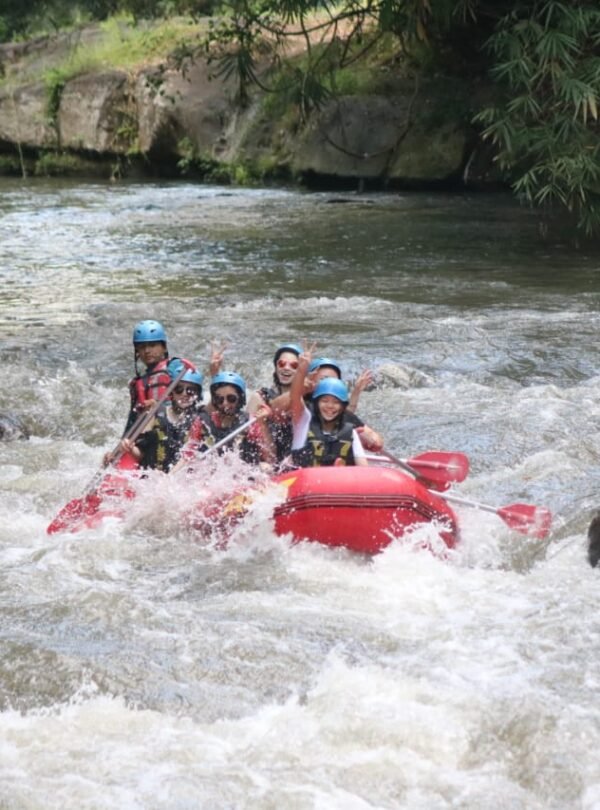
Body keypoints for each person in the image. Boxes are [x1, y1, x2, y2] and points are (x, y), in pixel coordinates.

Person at [290, 345, 368, 467]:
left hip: (336, 482)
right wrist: (301, 370)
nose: (330, 406)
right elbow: (294, 396)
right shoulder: (303, 421)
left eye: (336, 402)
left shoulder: (350, 432)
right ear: (316, 402)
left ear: (343, 407)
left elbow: (365, 470)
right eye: (325, 401)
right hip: (303, 480)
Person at [119, 369, 206, 472]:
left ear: (197, 395)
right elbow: (141, 453)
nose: (184, 394)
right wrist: (129, 448)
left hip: (179, 479)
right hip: (152, 477)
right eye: (179, 389)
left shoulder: (200, 420)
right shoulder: (155, 413)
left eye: (190, 391)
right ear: (172, 392)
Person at [194, 371, 275, 465]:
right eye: (219, 399)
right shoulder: (202, 423)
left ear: (240, 399)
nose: (225, 403)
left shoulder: (250, 423)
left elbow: (270, 458)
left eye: (231, 399)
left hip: (243, 474)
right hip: (211, 474)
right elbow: (186, 456)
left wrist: (262, 423)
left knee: (266, 466)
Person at [304, 357, 384, 453]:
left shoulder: (340, 413)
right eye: (323, 379)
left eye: (334, 381)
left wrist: (367, 439)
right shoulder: (300, 408)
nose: (330, 385)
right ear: (310, 380)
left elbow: (377, 443)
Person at [247, 343, 304, 464]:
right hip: (267, 460)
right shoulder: (259, 397)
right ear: (276, 366)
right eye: (282, 364)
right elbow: (246, 436)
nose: (286, 368)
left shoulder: (306, 399)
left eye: (294, 365)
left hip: (296, 460)